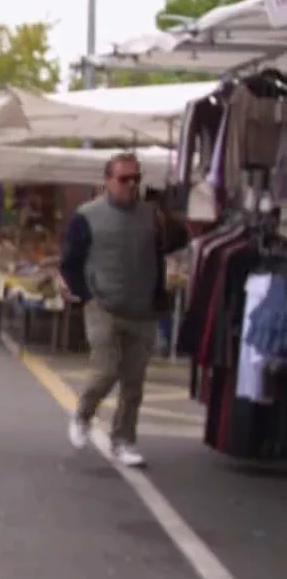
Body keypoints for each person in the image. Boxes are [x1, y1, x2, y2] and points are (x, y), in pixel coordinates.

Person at [58, 152, 188, 469]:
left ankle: (123, 440)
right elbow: (71, 261)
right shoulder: (87, 216)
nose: (131, 185)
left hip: (142, 309)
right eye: (124, 179)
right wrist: (86, 294)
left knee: (134, 382)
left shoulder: (150, 215)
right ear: (107, 180)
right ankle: (83, 415)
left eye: (136, 179)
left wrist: (171, 220)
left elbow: (176, 241)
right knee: (105, 371)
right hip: (104, 306)